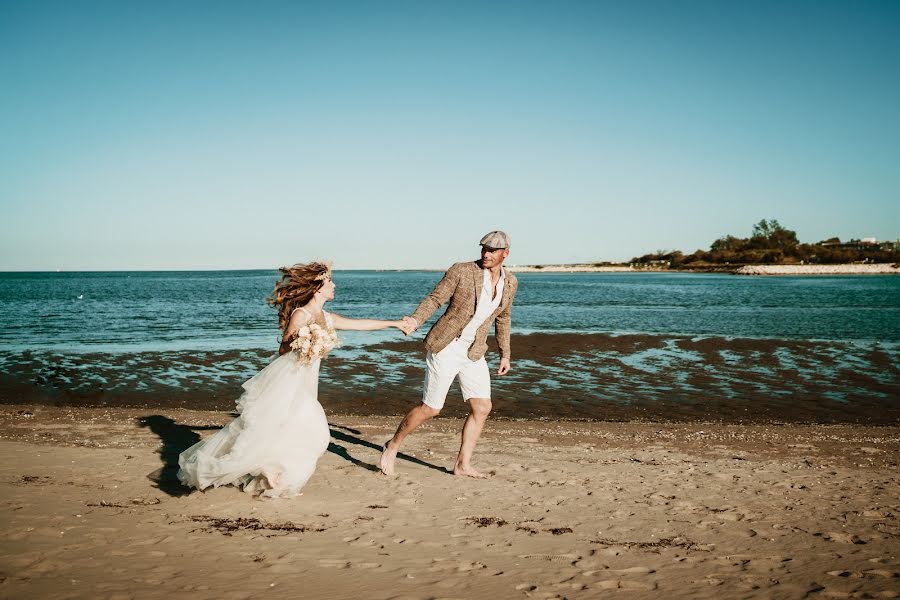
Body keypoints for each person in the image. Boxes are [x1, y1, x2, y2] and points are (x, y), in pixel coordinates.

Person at [178, 262, 405, 498]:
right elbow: (283, 349)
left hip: (308, 384)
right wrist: (305, 342)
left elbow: (360, 324)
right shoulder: (301, 314)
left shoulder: (326, 317)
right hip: (290, 381)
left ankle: (271, 469)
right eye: (330, 281)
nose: (334, 285)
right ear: (318, 286)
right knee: (312, 432)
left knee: (289, 428)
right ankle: (261, 469)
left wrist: (395, 323)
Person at [381, 231, 518, 478]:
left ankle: (462, 464)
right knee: (432, 408)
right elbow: (435, 299)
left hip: (474, 351)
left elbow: (504, 319)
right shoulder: (462, 270)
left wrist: (505, 354)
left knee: (482, 406)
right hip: (447, 346)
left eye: (492, 250)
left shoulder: (510, 282)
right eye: (484, 249)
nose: (486, 254)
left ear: (505, 253)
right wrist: (415, 320)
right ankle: (392, 446)